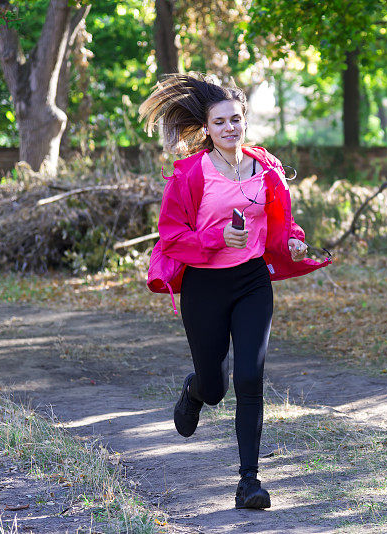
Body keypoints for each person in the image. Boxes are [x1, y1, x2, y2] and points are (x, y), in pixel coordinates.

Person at [138, 73, 330, 510]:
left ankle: (250, 483)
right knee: (216, 385)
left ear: (245, 122)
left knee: (249, 378)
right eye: (220, 122)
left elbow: (282, 221)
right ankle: (194, 392)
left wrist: (294, 240)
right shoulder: (190, 175)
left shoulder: (266, 170)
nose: (229, 128)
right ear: (206, 128)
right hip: (205, 286)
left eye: (236, 120)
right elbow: (171, 238)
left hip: (251, 283)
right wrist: (218, 239)